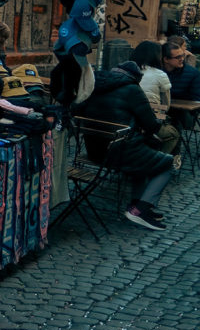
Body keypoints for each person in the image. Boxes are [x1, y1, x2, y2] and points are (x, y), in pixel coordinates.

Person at [73, 61, 173, 230]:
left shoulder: (94, 85)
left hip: (95, 150)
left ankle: (138, 203)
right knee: (167, 163)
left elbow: (77, 111)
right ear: (135, 78)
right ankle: (141, 209)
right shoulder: (132, 90)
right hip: (120, 152)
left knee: (144, 156)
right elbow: (151, 126)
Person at [131, 40, 179, 156]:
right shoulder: (160, 75)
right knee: (173, 134)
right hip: (148, 121)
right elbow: (165, 106)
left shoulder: (128, 70)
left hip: (127, 120)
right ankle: (158, 160)